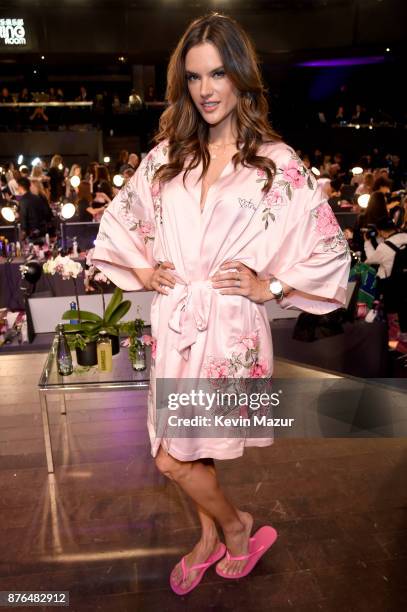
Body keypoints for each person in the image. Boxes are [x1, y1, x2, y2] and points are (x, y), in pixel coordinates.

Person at [92, 13, 350, 595]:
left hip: (229, 328)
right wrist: (142, 269)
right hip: (176, 319)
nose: (206, 90)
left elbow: (331, 245)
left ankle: (231, 528)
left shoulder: (276, 164)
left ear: (240, 78)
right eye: (194, 77)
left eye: (218, 74)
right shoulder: (166, 159)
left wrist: (273, 287)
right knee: (179, 448)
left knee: (173, 455)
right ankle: (219, 532)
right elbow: (118, 222)